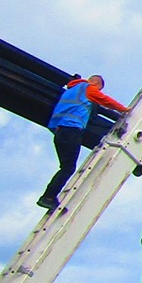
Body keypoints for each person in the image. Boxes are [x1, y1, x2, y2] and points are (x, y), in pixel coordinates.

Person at [38, 73, 110, 209]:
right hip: (72, 130)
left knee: (65, 166)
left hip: (58, 131)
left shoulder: (71, 91)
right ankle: (48, 197)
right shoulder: (89, 92)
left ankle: (48, 196)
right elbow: (95, 113)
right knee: (68, 167)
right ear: (97, 85)